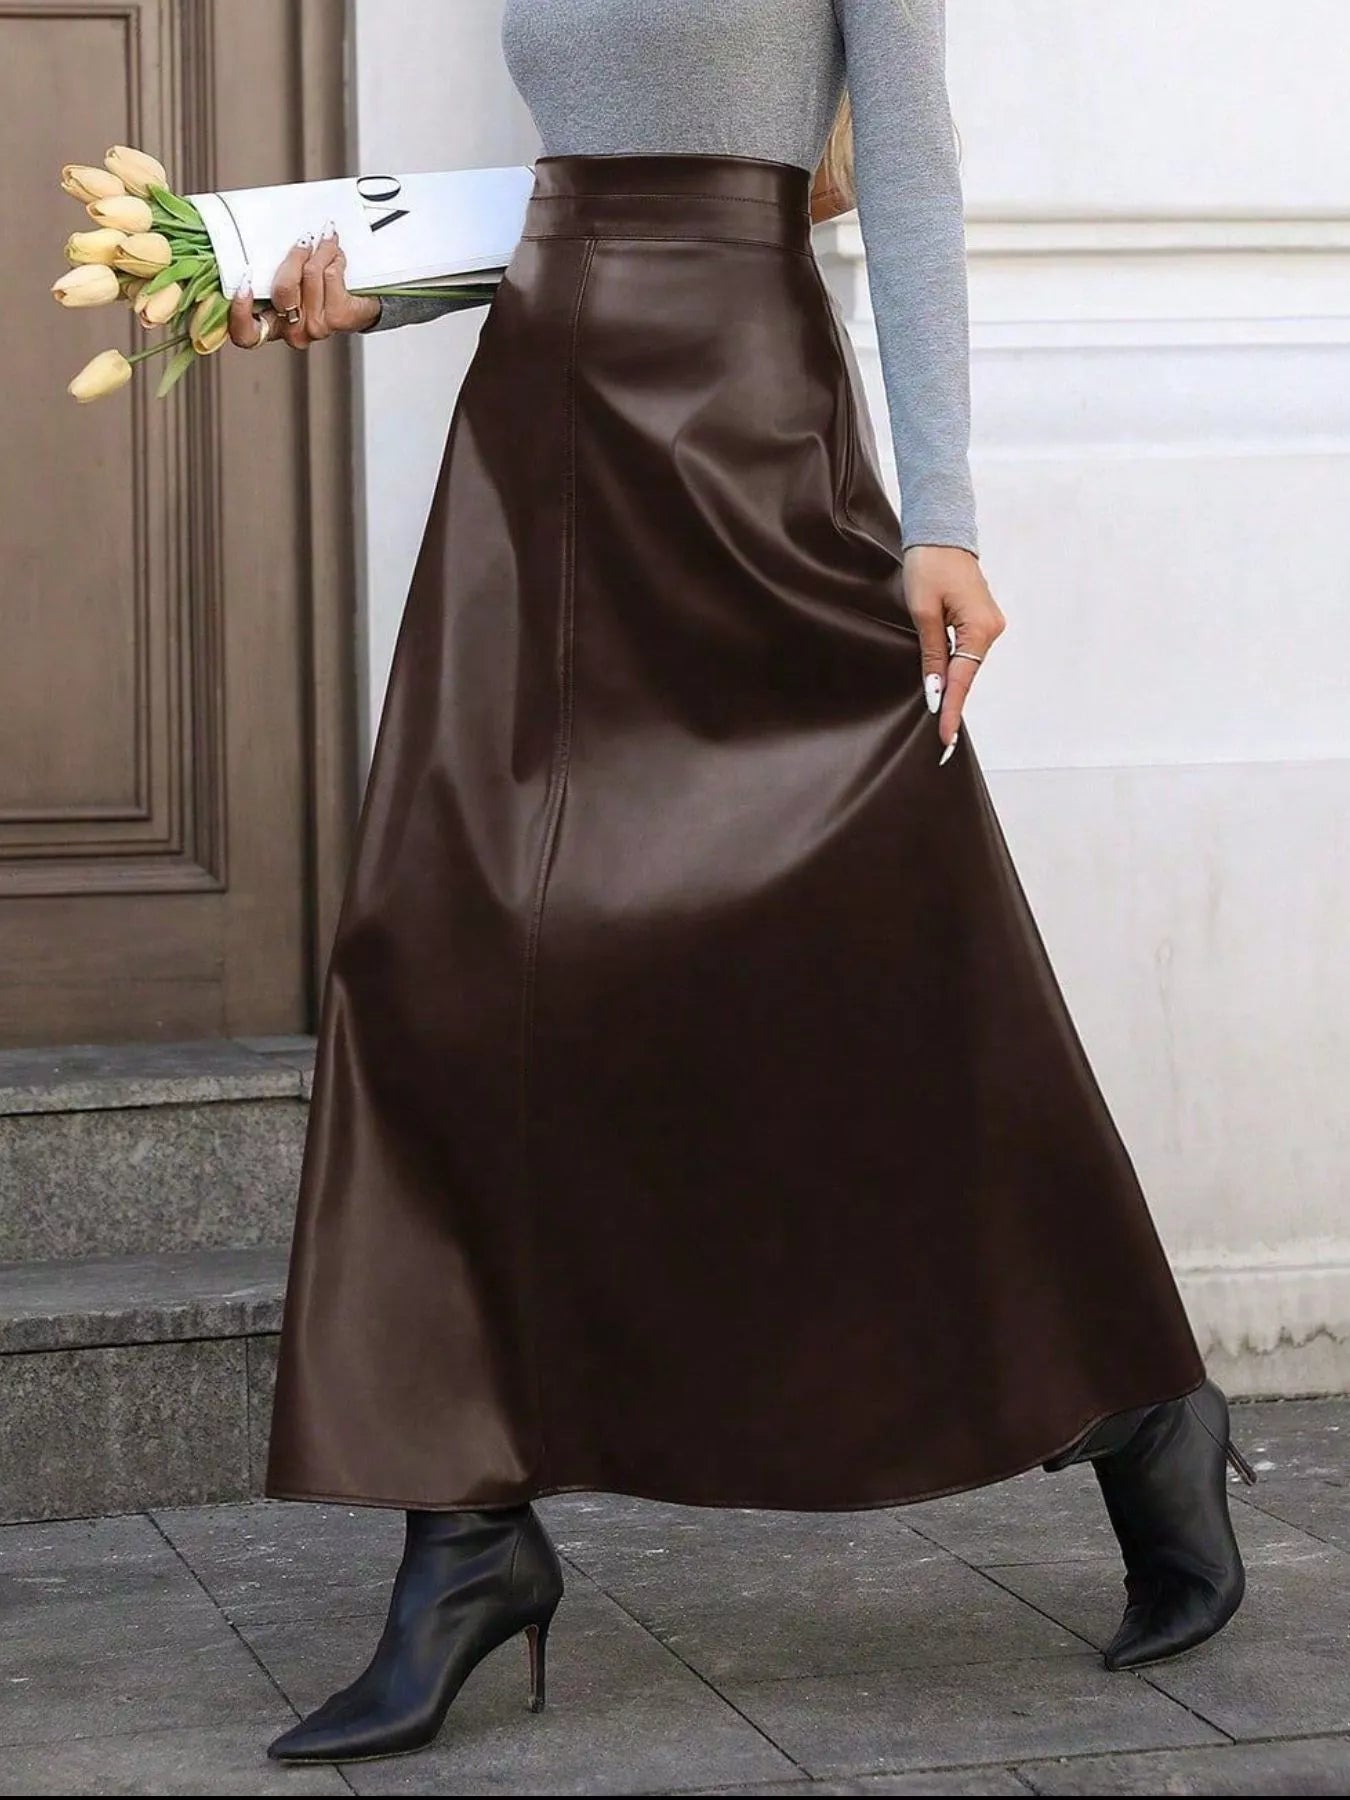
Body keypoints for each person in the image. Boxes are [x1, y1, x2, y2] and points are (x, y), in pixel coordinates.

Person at [230, 1, 1254, 1767]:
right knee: (433, 948)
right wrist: (350, 282)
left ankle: (1132, 1396)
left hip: (743, 440)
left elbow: (900, 174)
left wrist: (943, 517)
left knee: (884, 950)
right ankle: (464, 1535)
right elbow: (576, 188)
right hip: (537, 442)